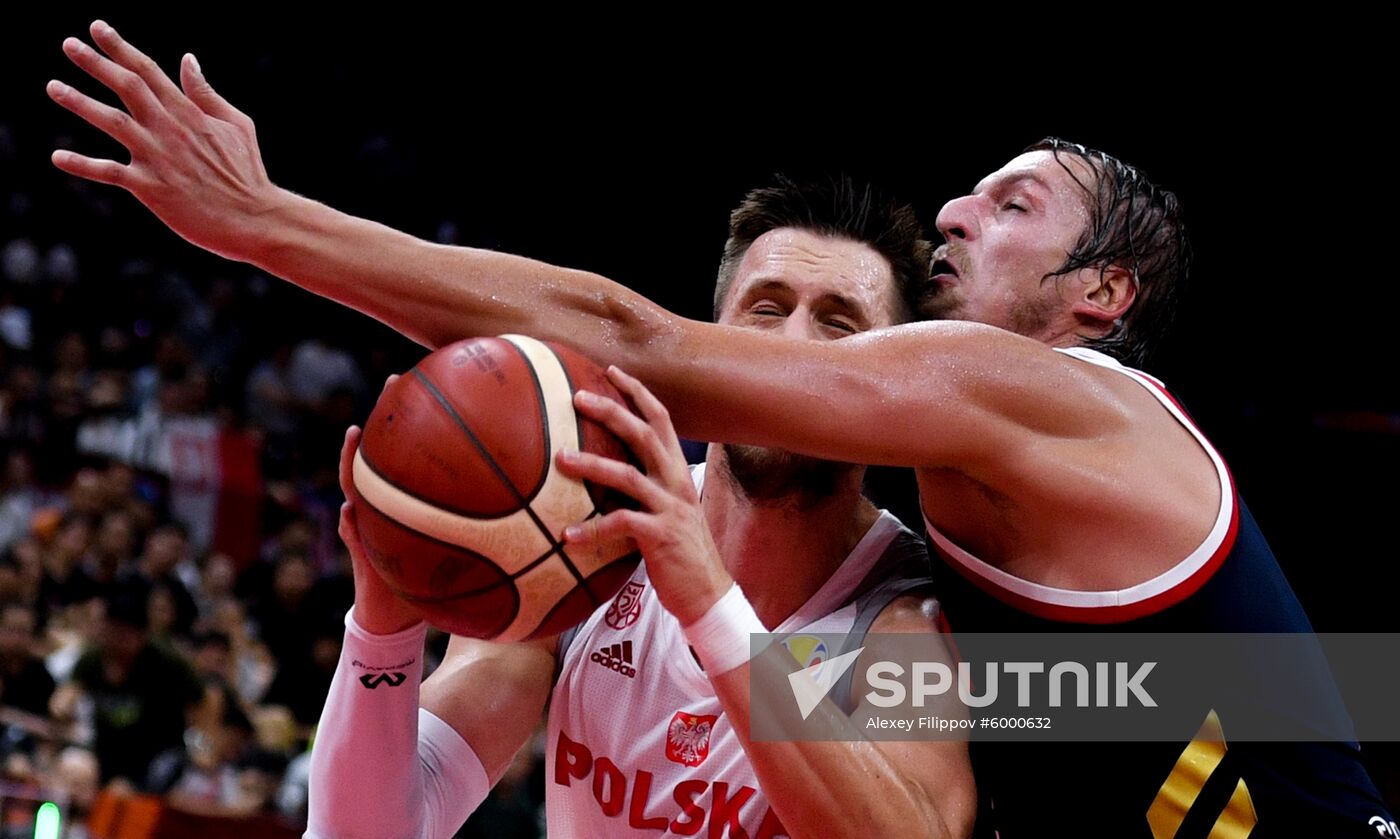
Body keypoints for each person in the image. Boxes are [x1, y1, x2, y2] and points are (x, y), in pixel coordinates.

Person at [46, 22, 1392, 836]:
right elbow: (366, 828)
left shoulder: (1031, 432)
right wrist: (388, 620)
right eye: (763, 308)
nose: (956, 221)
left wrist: (264, 222)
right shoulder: (623, 571)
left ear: (1104, 296)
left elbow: (635, 344)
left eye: (1014, 205)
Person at [303, 175, 974, 838]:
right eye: (766, 309)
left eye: (839, 323)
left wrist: (711, 606)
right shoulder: (585, 538)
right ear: (711, 346)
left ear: (890, 389)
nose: (791, 348)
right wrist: (384, 625)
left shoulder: (910, 616)